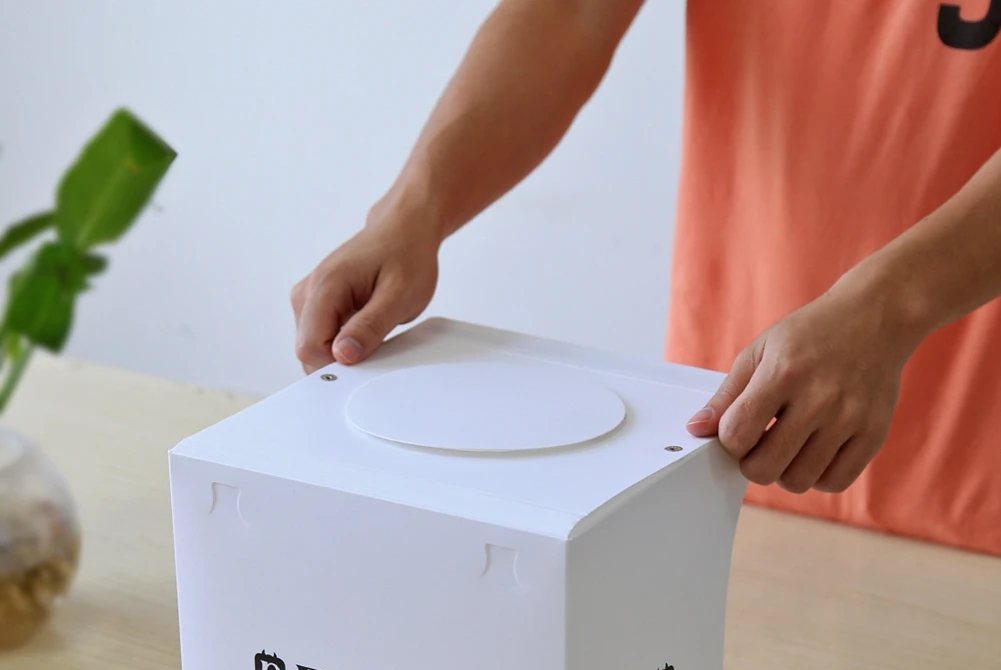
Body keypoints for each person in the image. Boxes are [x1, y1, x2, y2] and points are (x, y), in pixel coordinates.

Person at [291, 0, 1001, 556]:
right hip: (729, 430)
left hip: (975, 469)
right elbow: (571, 13)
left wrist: (887, 309)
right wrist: (410, 214)